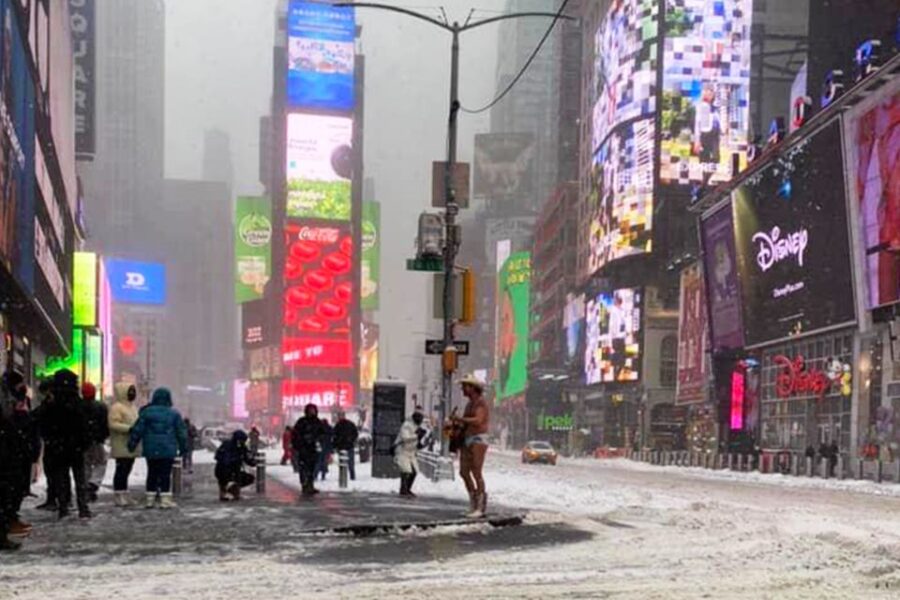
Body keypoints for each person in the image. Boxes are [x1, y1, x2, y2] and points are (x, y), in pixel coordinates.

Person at [39, 369, 92, 519]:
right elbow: (85, 426)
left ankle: (63, 507)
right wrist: (83, 443)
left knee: (61, 478)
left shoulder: (52, 403)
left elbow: (43, 424)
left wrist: (50, 440)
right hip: (75, 447)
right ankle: (83, 508)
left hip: (58, 447)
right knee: (80, 478)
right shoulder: (77, 402)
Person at [128, 387, 187, 509]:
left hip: (151, 449)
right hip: (168, 449)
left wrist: (132, 444)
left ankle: (150, 499)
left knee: (152, 473)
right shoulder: (174, 414)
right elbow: (181, 432)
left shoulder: (146, 412)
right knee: (165, 474)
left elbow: (138, 430)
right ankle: (165, 500)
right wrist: (183, 448)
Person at [455, 374, 490, 518]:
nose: (462, 389)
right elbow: (468, 422)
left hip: (478, 439)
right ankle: (473, 502)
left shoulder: (481, 403)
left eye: (465, 386)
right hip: (467, 438)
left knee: (476, 470)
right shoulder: (469, 404)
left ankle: (480, 506)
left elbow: (478, 420)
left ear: (472, 388)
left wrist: (461, 419)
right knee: (464, 472)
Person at [108, 383, 141, 507]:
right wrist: (129, 429)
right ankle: (119, 493)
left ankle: (124, 493)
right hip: (121, 443)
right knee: (121, 470)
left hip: (131, 444)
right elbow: (113, 424)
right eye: (130, 391)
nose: (132, 394)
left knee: (127, 469)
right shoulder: (117, 407)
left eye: (133, 391)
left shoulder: (132, 407)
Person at [81, 382, 109, 503]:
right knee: (100, 462)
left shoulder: (78, 406)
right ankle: (93, 483)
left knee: (85, 464)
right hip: (97, 440)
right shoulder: (101, 407)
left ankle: (86, 484)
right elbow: (105, 425)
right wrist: (103, 436)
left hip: (82, 441)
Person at [292, 404, 325, 496]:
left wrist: (317, 439)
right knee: (303, 468)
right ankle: (304, 485)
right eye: (310, 410)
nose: (312, 412)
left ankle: (310, 484)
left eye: (313, 410)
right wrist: (300, 444)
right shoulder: (302, 422)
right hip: (303, 449)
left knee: (312, 468)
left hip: (313, 449)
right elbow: (295, 435)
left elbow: (322, 433)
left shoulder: (317, 422)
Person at [214, 430, 257, 501]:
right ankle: (232, 491)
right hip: (231, 472)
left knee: (224, 479)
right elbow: (249, 461)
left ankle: (224, 492)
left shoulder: (225, 444)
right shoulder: (240, 448)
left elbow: (217, 456)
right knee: (245, 478)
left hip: (219, 471)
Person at [394, 407, 423, 498]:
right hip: (402, 451)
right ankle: (403, 489)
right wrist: (416, 435)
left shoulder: (417, 426)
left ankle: (407, 488)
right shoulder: (407, 425)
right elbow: (405, 438)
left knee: (414, 471)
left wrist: (420, 443)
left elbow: (416, 441)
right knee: (406, 471)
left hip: (411, 452)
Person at [333, 410, 359, 481]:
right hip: (347, 446)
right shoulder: (348, 424)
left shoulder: (339, 425)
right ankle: (348, 476)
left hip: (345, 446)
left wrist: (336, 444)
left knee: (347, 463)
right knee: (348, 463)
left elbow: (334, 436)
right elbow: (355, 434)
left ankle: (348, 476)